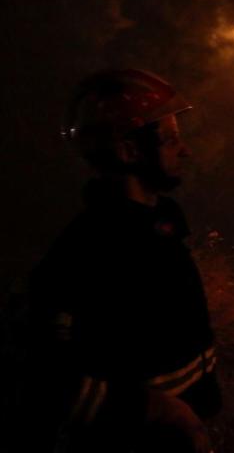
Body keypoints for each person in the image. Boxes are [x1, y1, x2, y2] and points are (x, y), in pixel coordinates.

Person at [27, 69, 220, 453]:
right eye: (169, 140)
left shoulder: (157, 228)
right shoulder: (89, 249)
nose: (185, 151)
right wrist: (160, 411)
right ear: (128, 151)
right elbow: (42, 376)